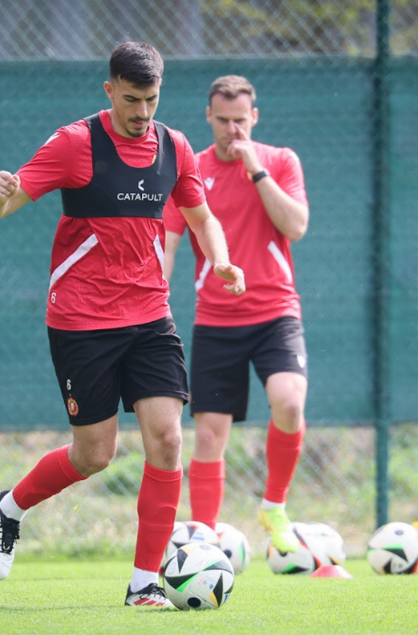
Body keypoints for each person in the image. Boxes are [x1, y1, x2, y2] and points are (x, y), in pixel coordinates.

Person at [0, 42, 245, 608]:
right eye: (130, 100)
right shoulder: (76, 143)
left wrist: (220, 258)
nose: (141, 112)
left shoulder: (174, 148)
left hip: (150, 314)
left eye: (150, 100)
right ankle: (9, 508)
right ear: (109, 90)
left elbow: (202, 218)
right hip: (81, 319)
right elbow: (1, 207)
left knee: (169, 439)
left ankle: (144, 584)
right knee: (95, 455)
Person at [163, 75, 308, 554]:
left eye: (240, 121)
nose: (231, 130)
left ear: (254, 118)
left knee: (288, 401)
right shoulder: (192, 171)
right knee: (208, 436)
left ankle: (273, 506)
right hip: (216, 319)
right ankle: (203, 541)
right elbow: (168, 242)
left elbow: (296, 225)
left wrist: (256, 170)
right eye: (222, 121)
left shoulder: (280, 160)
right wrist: (154, 294)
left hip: (275, 312)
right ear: (208, 116)